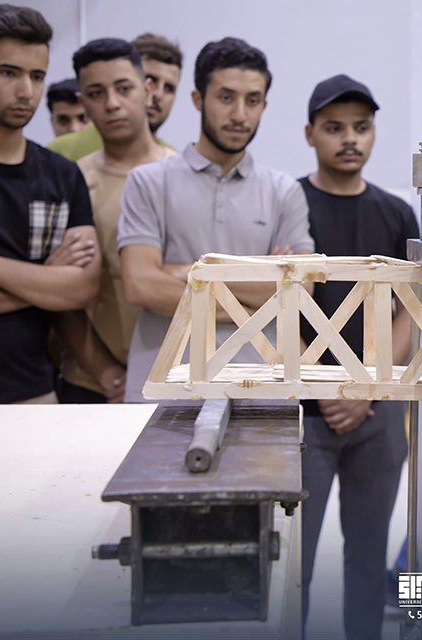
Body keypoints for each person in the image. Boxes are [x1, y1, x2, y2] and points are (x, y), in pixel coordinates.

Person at [118, 37, 313, 402]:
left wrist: (186, 272)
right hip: (162, 386)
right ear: (198, 99)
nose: (240, 114)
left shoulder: (284, 191)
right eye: (226, 97)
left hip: (262, 387)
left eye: (252, 100)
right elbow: (141, 285)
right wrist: (260, 290)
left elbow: (300, 291)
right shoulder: (147, 182)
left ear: (264, 105)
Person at [298, 74, 418, 640]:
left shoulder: (397, 213)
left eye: (361, 127)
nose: (350, 138)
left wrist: (366, 388)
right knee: (292, 564)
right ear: (310, 134)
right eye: (334, 127)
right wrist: (326, 389)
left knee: (369, 560)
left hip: (378, 410)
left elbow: (412, 312)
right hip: (303, 411)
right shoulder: (288, 206)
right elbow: (271, 309)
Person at [0, 4, 99, 404]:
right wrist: (45, 279)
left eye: (36, 76)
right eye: (9, 73)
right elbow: (63, 289)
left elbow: (82, 288)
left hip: (35, 394)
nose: (26, 91)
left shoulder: (62, 175)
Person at [55, 38, 177, 404]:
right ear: (83, 102)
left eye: (124, 89)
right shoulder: (70, 181)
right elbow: (63, 296)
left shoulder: (184, 176)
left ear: (147, 90)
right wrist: (106, 373)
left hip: (176, 378)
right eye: (96, 93)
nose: (111, 103)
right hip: (90, 381)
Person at [48, 32, 182, 161]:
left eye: (169, 88)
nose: (158, 94)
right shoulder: (61, 154)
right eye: (124, 88)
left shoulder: (176, 162)